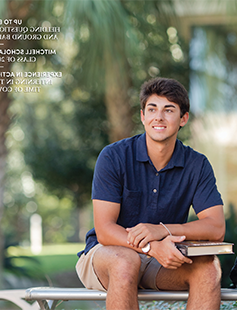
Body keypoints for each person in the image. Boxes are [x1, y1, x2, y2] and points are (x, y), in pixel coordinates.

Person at [76, 77, 225, 310]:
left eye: (169, 110)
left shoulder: (197, 164)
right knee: (126, 262)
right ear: (143, 116)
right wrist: (152, 246)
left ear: (183, 119)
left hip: (162, 259)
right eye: (152, 109)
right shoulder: (113, 157)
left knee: (208, 267)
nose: (159, 117)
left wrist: (163, 231)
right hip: (108, 254)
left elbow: (216, 228)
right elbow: (105, 230)